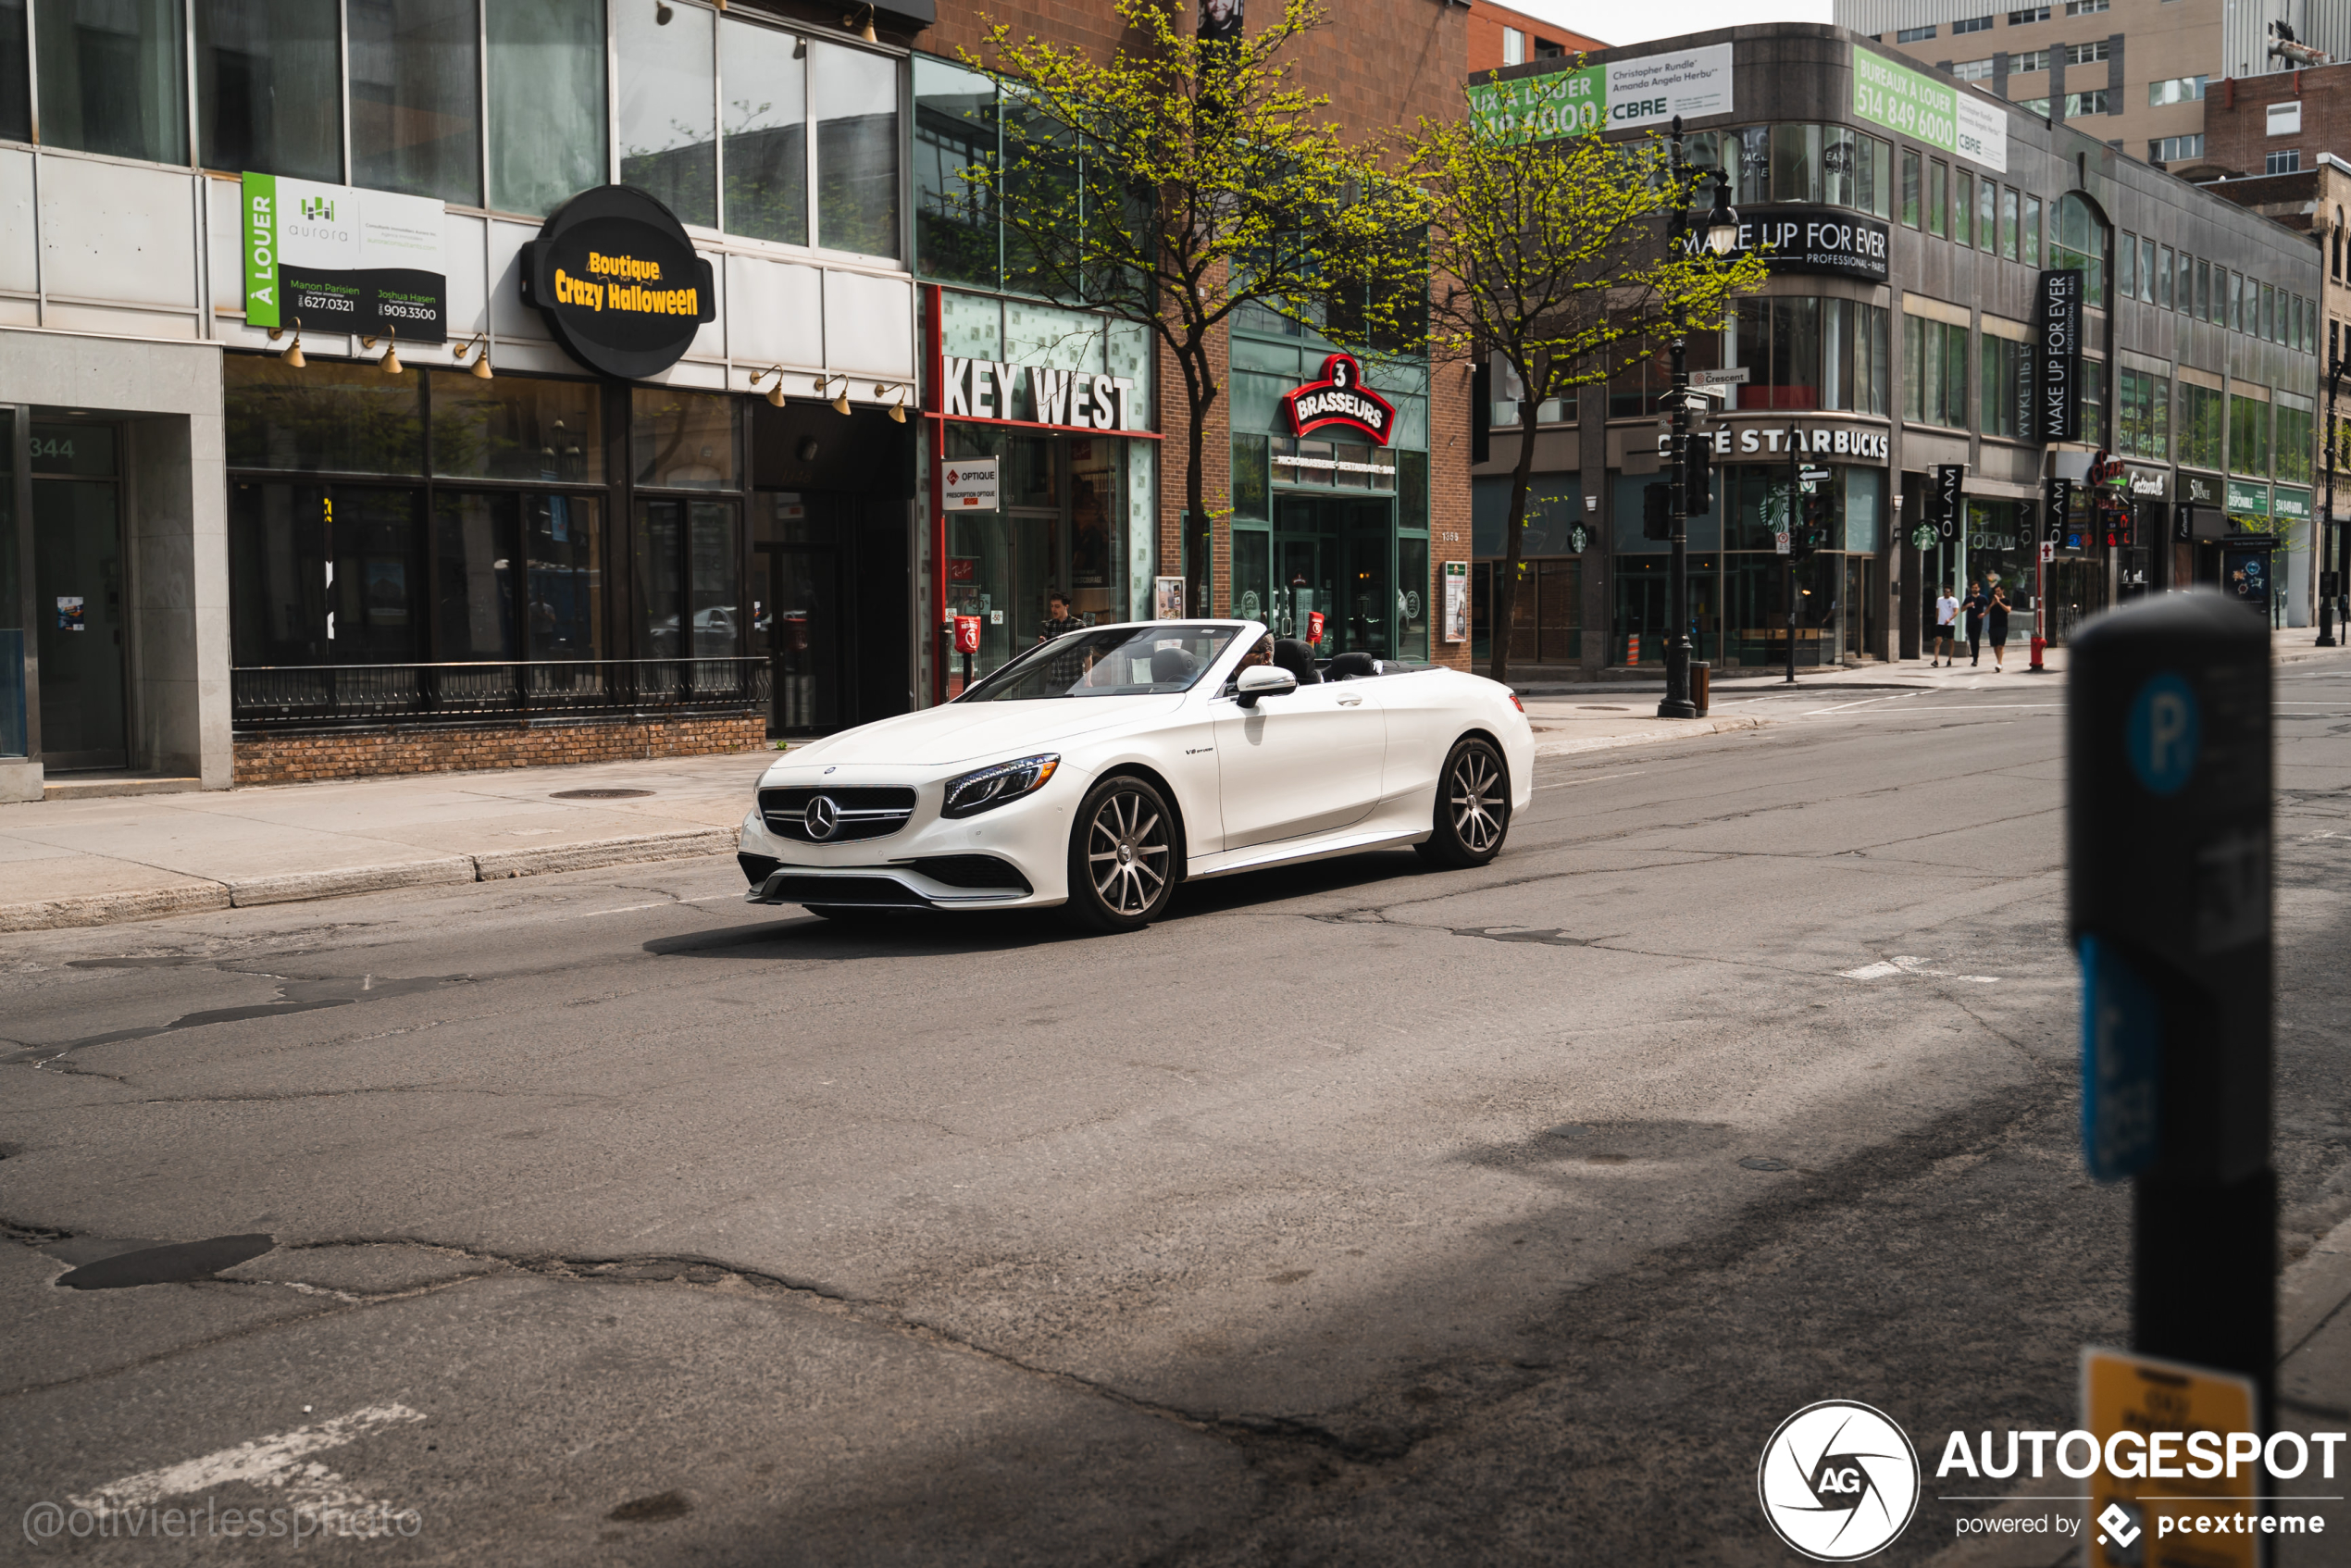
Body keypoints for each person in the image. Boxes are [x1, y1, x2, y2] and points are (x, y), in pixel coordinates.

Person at [1985, 580, 2012, 670]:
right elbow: (1986, 612)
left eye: (1998, 591)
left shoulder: (2007, 600)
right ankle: (1999, 663)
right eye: (1996, 591)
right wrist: (1992, 604)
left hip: (2002, 625)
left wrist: (1999, 602)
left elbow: (2008, 610)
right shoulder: (1992, 601)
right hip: (1993, 625)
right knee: (1995, 646)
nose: (1997, 593)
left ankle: (1999, 663)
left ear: (2002, 591)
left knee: (2001, 646)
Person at [1960, 580, 1986, 666]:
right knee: (1972, 640)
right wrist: (1968, 605)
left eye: (1976, 587)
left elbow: (1990, 607)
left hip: (1978, 622)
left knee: (1976, 639)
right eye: (1973, 588)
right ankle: (1974, 657)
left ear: (1979, 588)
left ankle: (1976, 658)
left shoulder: (1982, 598)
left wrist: (1984, 614)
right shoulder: (1968, 598)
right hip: (1970, 621)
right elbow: (1962, 609)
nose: (1975, 589)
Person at [1932, 584, 1959, 666]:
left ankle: (1949, 659)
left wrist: (1949, 619)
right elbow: (1937, 611)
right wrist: (1937, 620)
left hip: (1950, 624)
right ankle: (1936, 660)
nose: (1946, 593)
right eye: (1944, 591)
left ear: (1951, 592)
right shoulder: (1939, 600)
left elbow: (1956, 611)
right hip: (1940, 624)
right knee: (1938, 641)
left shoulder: (1954, 600)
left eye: (1948, 592)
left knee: (1950, 641)